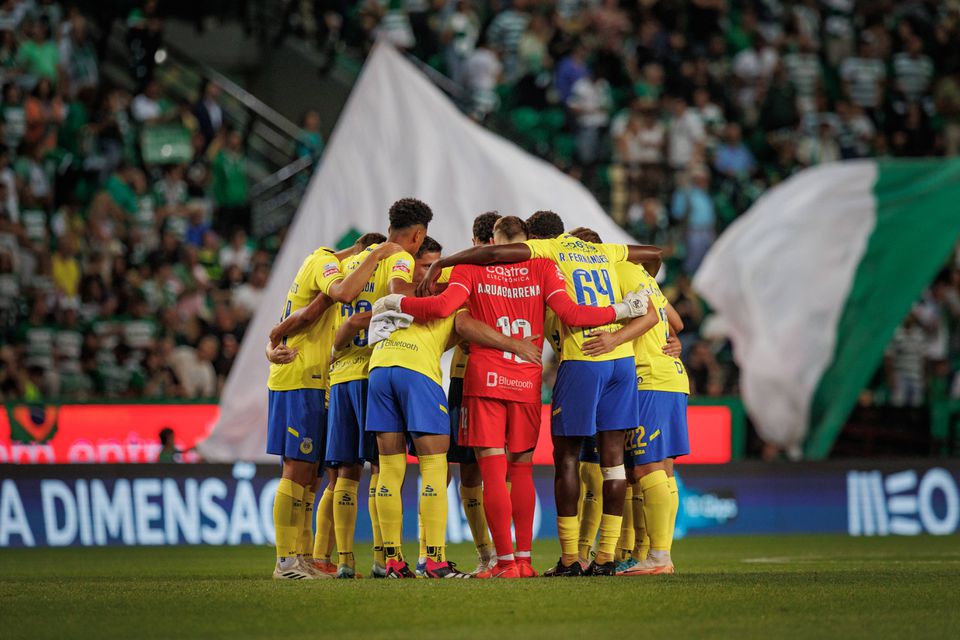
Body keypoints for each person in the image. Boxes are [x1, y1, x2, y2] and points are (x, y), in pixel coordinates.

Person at [385, 216, 649, 578]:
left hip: (486, 380)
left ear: (492, 241)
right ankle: (525, 561)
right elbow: (572, 313)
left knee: (491, 473)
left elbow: (444, 310)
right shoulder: (542, 268)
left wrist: (397, 303)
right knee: (521, 471)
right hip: (526, 380)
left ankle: (503, 562)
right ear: (524, 241)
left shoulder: (469, 268)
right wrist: (618, 312)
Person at [367, 235, 544, 579]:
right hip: (418, 373)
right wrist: (512, 344)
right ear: (415, 267)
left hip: (379, 369)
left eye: (435, 266)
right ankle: (433, 560)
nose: (432, 274)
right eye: (426, 266)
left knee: (389, 470)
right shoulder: (450, 292)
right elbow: (461, 324)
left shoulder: (392, 296)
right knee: (435, 467)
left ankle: (391, 561)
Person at [271, 198, 430, 579]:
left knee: (340, 473)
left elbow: (313, 311)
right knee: (381, 468)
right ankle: (383, 558)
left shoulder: (350, 264)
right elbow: (395, 300)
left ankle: (338, 560)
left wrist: (273, 338)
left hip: (336, 376)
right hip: (369, 373)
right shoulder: (396, 259)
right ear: (418, 234)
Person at [569, 228, 689, 575]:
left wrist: (616, 339)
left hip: (649, 378)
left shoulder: (614, 271)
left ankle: (659, 557)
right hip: (671, 376)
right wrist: (670, 341)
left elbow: (650, 314)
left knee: (646, 468)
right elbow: (675, 322)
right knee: (661, 470)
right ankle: (654, 554)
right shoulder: (638, 273)